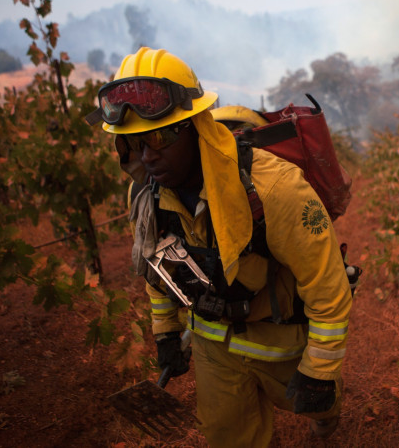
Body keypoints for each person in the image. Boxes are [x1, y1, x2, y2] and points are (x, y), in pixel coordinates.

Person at [86, 47, 352, 447]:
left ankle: (326, 421)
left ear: (195, 126)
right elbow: (158, 272)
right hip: (213, 345)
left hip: (280, 340)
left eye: (159, 136)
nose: (148, 155)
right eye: (135, 142)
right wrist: (165, 333)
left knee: (317, 404)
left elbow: (327, 285)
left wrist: (320, 370)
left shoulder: (275, 188)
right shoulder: (146, 195)